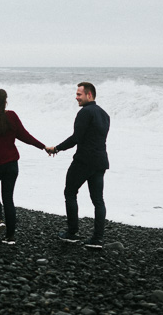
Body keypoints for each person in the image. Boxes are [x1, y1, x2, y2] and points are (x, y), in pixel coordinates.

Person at [0, 88, 51, 245]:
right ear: (5, 101)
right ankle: (10, 237)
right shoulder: (12, 116)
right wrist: (43, 146)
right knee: (8, 198)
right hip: (11, 164)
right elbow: (25, 136)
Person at [46, 82, 110, 249]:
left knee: (70, 192)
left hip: (83, 161)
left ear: (89, 95)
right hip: (101, 161)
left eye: (79, 94)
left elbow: (76, 138)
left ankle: (72, 233)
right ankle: (97, 239)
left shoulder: (85, 112)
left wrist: (57, 148)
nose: (76, 97)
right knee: (98, 200)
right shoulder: (104, 114)